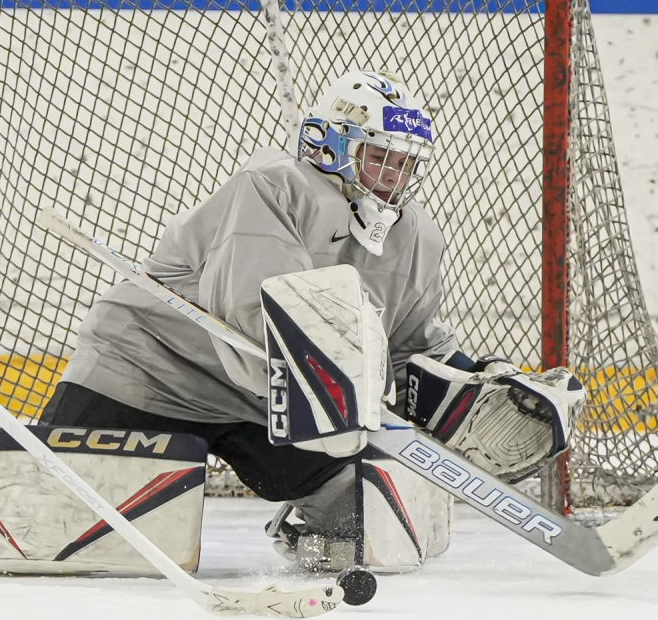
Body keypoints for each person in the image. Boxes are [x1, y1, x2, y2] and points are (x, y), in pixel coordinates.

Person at [40, 69, 578, 572]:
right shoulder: (274, 186)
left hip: (277, 401)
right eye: (379, 158)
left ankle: (307, 535)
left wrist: (467, 383)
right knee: (55, 528)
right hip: (150, 371)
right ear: (332, 145)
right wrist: (342, 385)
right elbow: (251, 315)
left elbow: (409, 344)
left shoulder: (414, 235)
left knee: (369, 526)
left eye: (405, 164)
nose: (393, 177)